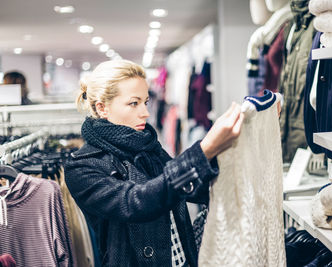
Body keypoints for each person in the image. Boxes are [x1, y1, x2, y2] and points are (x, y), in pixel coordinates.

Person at [64, 59, 244, 266]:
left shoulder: (148, 146)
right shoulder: (82, 166)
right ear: (102, 108)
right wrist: (203, 151)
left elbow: (188, 189)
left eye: (145, 102)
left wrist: (241, 137)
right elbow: (134, 203)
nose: (145, 113)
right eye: (134, 103)